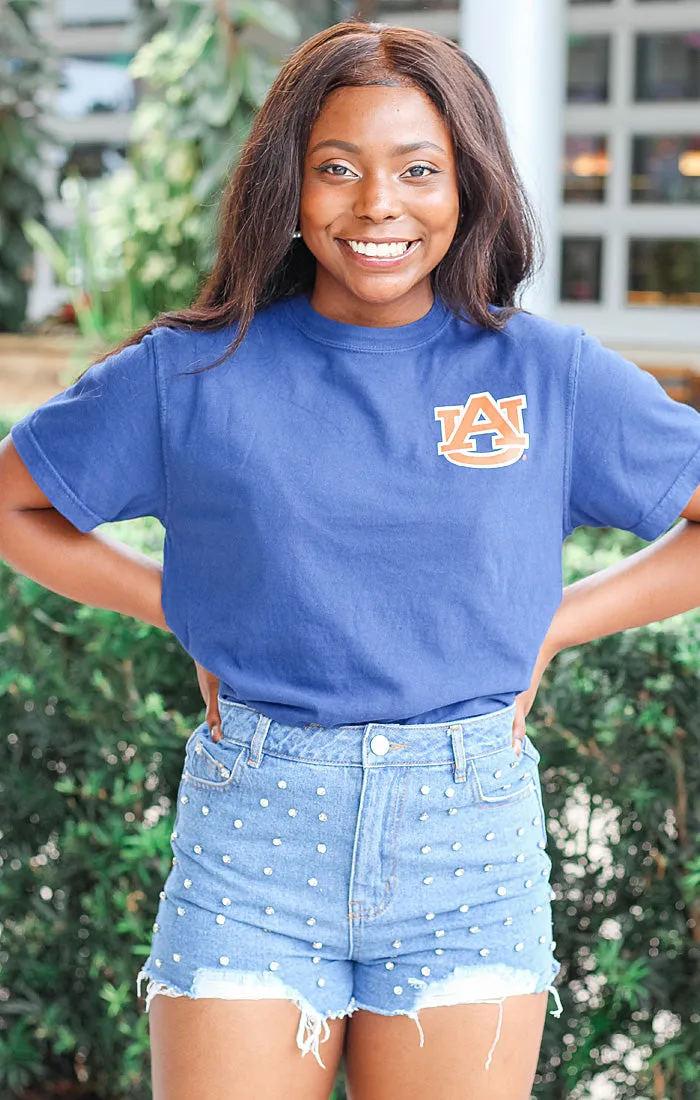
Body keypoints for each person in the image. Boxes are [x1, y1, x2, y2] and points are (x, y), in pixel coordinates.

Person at [2, 17, 700, 1100]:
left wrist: (549, 624)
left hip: (468, 842)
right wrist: (183, 607)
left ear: (466, 184)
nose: (378, 204)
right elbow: (15, 503)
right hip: (254, 834)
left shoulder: (544, 373)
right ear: (289, 184)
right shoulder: (190, 374)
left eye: (418, 169)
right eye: (338, 168)